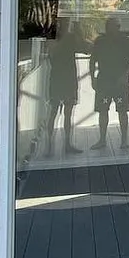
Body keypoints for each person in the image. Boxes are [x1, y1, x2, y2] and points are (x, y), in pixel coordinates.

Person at [89, 17, 129, 150]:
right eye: (107, 26)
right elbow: (92, 61)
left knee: (122, 110)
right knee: (102, 110)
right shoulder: (100, 41)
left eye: (111, 26)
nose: (108, 29)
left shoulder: (126, 41)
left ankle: (124, 140)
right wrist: (92, 78)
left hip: (120, 82)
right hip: (104, 81)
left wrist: (125, 75)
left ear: (117, 27)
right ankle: (102, 139)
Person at [44, 18, 84, 156]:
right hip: (57, 78)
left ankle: (67, 144)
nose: (66, 26)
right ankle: (49, 145)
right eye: (64, 24)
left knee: (68, 113)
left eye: (67, 24)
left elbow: (84, 47)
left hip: (69, 78)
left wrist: (78, 32)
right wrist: (65, 37)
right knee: (53, 111)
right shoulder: (52, 37)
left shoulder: (72, 37)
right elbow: (52, 53)